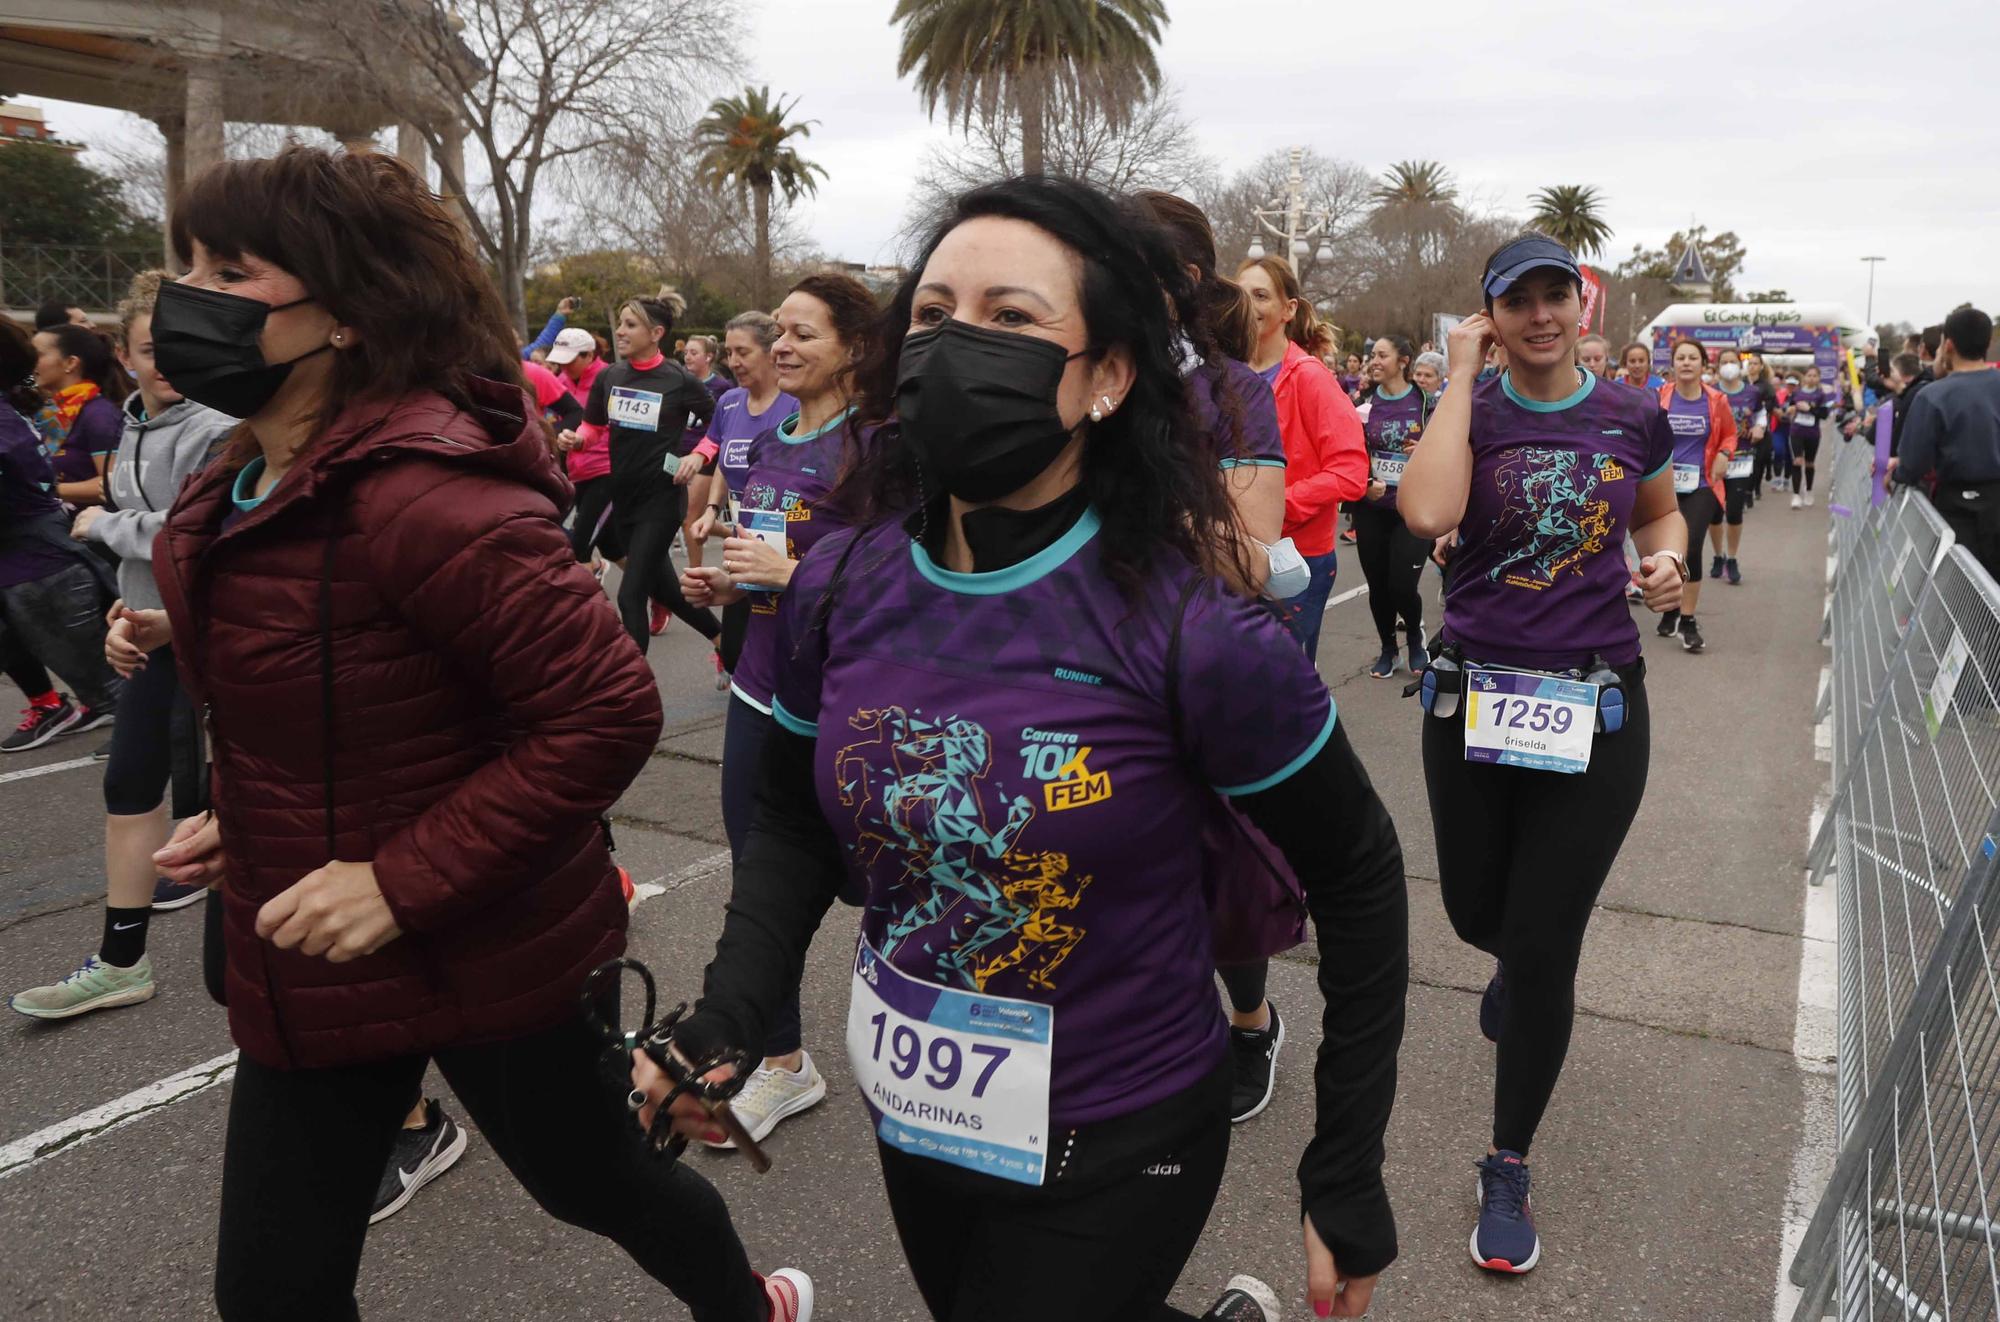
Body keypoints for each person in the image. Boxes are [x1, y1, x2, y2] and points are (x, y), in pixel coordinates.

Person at [636, 173, 1405, 1322]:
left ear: (1106, 377)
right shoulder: (840, 582)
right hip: (918, 1115)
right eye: (935, 315)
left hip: (1123, 1124)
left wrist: (1341, 1164)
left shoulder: (1194, 627)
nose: (956, 347)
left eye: (1011, 317)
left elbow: (1356, 871)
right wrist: (728, 1011)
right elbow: (794, 814)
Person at [134, 145, 808, 1322]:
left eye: (230, 270)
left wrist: (397, 877)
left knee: (601, 1183)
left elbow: (605, 709)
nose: (181, 298)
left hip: (496, 948)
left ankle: (748, 1307)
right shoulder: (231, 479)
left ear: (344, 309)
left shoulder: (429, 494)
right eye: (188, 262)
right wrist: (246, 810)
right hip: (319, 961)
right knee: (272, 1290)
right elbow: (342, 701)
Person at [1396, 232, 1688, 1275]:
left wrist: (1664, 565)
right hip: (1471, 700)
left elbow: (1660, 512)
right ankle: (1511, 965)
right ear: (1488, 316)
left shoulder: (1628, 412)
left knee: (1542, 942)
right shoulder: (1467, 408)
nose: (1538, 315)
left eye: (1553, 294)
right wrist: (1459, 380)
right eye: (1513, 301)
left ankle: (1506, 1158)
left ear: (1580, 301)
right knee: (1476, 913)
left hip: (1594, 705)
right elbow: (1425, 510)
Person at [677, 275, 878, 1146]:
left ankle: (926, 1046)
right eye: (780, 332)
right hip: (763, 688)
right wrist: (729, 581)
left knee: (885, 883)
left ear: (856, 348)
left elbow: (903, 583)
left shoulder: (879, 450)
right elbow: (766, 559)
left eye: (805, 333)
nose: (784, 345)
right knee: (757, 873)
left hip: (857, 705)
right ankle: (785, 1061)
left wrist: (795, 577)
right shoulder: (764, 440)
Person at [11, 271, 237, 1021]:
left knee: (231, 808)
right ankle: (120, 960)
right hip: (151, 632)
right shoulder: (137, 421)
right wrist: (127, 603)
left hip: (223, 637)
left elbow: (195, 533)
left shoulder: (221, 425)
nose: (165, 361)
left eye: (177, 347)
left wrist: (100, 527)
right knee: (128, 788)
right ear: (127, 354)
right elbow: (158, 540)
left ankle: (282, 985)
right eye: (150, 348)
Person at [560, 292, 726, 665]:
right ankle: (724, 639)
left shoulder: (679, 380)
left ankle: (634, 693)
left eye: (630, 325)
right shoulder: (610, 376)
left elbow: (721, 424)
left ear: (656, 333)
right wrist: (578, 439)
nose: (620, 331)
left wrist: (697, 456)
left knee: (629, 595)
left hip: (662, 500)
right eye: (620, 323)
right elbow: (594, 425)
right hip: (625, 500)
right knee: (665, 588)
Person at [0, 321, 123, 761]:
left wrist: (51, 494)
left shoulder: (97, 413)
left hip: (48, 564)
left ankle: (151, 734)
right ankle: (61, 707)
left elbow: (109, 486)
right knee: (96, 673)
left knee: (107, 673)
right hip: (36, 562)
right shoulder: (30, 410)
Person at [1236, 255, 1367, 660]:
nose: (1250, 305)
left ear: (1288, 309)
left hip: (1294, 559)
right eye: (1242, 295)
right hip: (1232, 550)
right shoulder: (1226, 373)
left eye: (1261, 295)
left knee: (1277, 683)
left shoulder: (1309, 377)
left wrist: (1276, 506)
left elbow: (1350, 472)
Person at [687, 311, 798, 686]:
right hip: (742, 541)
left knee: (785, 644)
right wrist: (711, 509)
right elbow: (723, 458)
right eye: (729, 352)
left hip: (788, 541)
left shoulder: (795, 403)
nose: (733, 361)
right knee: (735, 651)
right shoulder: (730, 402)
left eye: (743, 352)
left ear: (771, 353)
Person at [1894, 307, 2000, 579]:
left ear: (1948, 345)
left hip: (1957, 514)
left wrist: (1896, 471)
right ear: (1987, 343)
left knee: (1960, 603)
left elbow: (1913, 465)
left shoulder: (1933, 396)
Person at [1351, 334, 1435, 679]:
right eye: (1372, 355)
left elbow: (1451, 450)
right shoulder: (1362, 404)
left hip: (1412, 507)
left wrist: (1427, 449)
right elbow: (1352, 453)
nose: (1374, 361)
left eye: (1382, 355)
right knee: (1378, 584)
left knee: (1402, 583)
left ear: (1403, 361)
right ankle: (1388, 648)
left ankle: (1414, 636)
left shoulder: (1427, 403)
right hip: (1372, 508)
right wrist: (1364, 484)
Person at [1653, 338, 1736, 653]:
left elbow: (1729, 433)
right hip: (1663, 485)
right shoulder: (1659, 397)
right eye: (1680, 358)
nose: (1686, 363)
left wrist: (1726, 452)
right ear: (1673, 364)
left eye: (1692, 358)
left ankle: (1687, 620)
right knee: (1667, 549)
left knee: (1691, 544)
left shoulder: (1716, 401)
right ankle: (1672, 607)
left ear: (1703, 365)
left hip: (1702, 484)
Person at [32, 321, 128, 508]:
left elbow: (112, 484)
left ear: (70, 363)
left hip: (86, 530)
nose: (29, 362)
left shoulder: (99, 415)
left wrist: (43, 490)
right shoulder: (48, 411)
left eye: (38, 355)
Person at [1706, 348, 1767, 584]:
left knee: (1734, 511)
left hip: (1741, 457)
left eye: (1733, 361)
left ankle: (1732, 558)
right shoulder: (1710, 392)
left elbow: (1761, 413)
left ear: (1739, 365)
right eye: (1724, 361)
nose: (1729, 365)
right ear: (1718, 365)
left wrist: (1760, 427)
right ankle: (1717, 555)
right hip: (1714, 460)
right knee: (1714, 513)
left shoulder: (1752, 392)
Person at [1785, 364, 1833, 507]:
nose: (1811, 378)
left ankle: (1809, 490)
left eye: (1814, 376)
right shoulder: (1796, 393)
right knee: (1797, 461)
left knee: (1810, 462)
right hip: (1796, 431)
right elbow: (1788, 407)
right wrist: (1791, 409)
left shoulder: (1821, 395)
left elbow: (1824, 414)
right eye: (1809, 375)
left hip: (1812, 433)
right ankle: (1796, 496)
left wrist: (1810, 408)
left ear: (1818, 378)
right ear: (1804, 377)